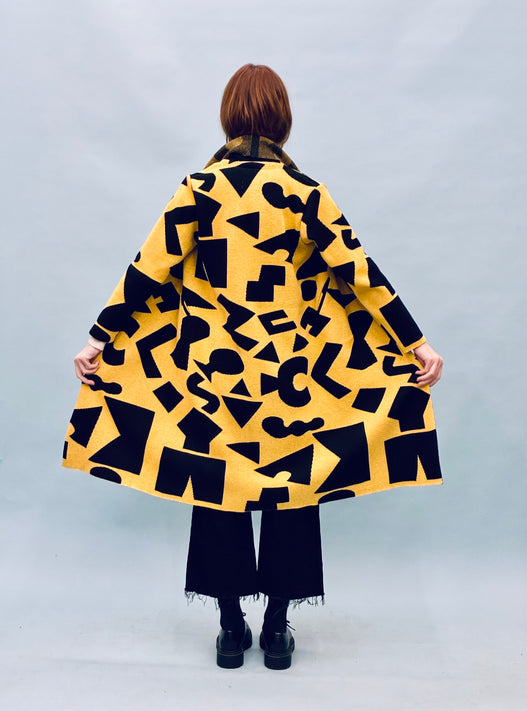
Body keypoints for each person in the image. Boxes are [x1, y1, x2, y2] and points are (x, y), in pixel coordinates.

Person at [65, 64, 443, 671]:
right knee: (294, 491)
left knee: (218, 490)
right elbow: (359, 273)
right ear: (283, 121)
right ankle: (276, 628)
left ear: (228, 119)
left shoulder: (198, 189)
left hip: (213, 379)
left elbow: (148, 271)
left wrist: (98, 337)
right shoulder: (306, 193)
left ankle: (228, 627)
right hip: (292, 378)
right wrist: (414, 342)